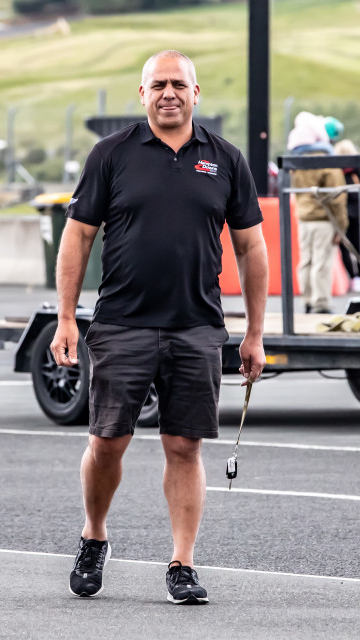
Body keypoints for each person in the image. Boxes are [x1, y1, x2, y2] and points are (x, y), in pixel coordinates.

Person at [51, 50, 268, 605]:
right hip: (122, 323)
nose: (168, 93)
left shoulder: (226, 159)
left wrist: (254, 333)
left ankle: (182, 564)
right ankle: (94, 536)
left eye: (178, 83)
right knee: (107, 442)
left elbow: (251, 247)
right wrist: (67, 318)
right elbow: (77, 235)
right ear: (143, 93)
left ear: (196, 93)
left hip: (196, 326)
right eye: (158, 84)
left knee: (184, 446)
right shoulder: (112, 154)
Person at [287, 111, 348, 313]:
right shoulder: (326, 160)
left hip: (303, 217)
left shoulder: (296, 162)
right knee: (322, 262)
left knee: (306, 260)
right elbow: (337, 195)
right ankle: (321, 303)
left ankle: (307, 300)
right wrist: (341, 226)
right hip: (324, 219)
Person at [334, 139, 360, 293]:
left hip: (344, 211)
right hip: (355, 210)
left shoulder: (336, 170)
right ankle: (356, 277)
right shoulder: (356, 168)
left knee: (344, 245)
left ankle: (353, 277)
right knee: (355, 244)